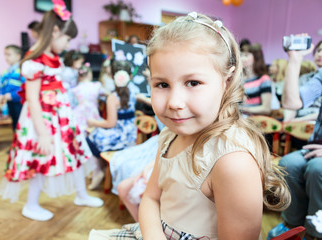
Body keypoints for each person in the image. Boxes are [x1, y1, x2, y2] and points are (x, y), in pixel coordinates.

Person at [88, 12, 291, 239]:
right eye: (162, 84)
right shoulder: (169, 135)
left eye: (193, 82)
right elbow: (151, 198)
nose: (174, 103)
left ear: (227, 81)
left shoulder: (232, 161)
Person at [0, 4, 103, 222]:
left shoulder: (52, 57)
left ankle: (82, 195)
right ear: (55, 32)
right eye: (66, 39)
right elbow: (32, 99)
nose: (67, 44)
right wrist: (43, 133)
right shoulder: (34, 61)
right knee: (41, 158)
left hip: (61, 117)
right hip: (43, 120)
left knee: (74, 153)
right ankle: (31, 205)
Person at [268, 35, 322, 240]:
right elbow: (292, 102)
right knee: (288, 162)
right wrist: (295, 59)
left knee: (317, 169)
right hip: (315, 145)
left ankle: (315, 233)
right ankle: (291, 225)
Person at [86, 60, 137, 190]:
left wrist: (93, 122)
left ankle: (98, 170)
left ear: (111, 76)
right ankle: (100, 170)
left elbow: (110, 123)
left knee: (90, 137)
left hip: (120, 137)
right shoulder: (134, 90)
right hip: (131, 135)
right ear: (130, 76)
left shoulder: (113, 97)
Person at [283, 41, 322, 122]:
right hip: (299, 121)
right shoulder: (308, 78)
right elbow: (292, 103)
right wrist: (295, 57)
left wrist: (299, 121)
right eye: (318, 50)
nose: (320, 54)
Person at [0, 45, 25, 131]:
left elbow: (25, 87)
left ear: (18, 56)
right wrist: (1, 94)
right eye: (5, 55)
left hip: (20, 102)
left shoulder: (22, 70)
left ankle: (22, 142)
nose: (6, 57)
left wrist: (13, 95)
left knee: (22, 123)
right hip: (10, 102)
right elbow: (2, 86)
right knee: (14, 123)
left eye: (9, 54)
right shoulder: (6, 71)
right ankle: (16, 141)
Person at [241, 43, 274, 116]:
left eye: (246, 55)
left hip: (253, 120)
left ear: (256, 58)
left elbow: (266, 109)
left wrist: (242, 109)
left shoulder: (264, 79)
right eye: (241, 55)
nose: (241, 58)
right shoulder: (239, 79)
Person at [72, 62, 106, 132]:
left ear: (79, 76)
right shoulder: (96, 86)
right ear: (90, 74)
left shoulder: (75, 90)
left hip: (79, 115)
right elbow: (107, 93)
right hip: (92, 113)